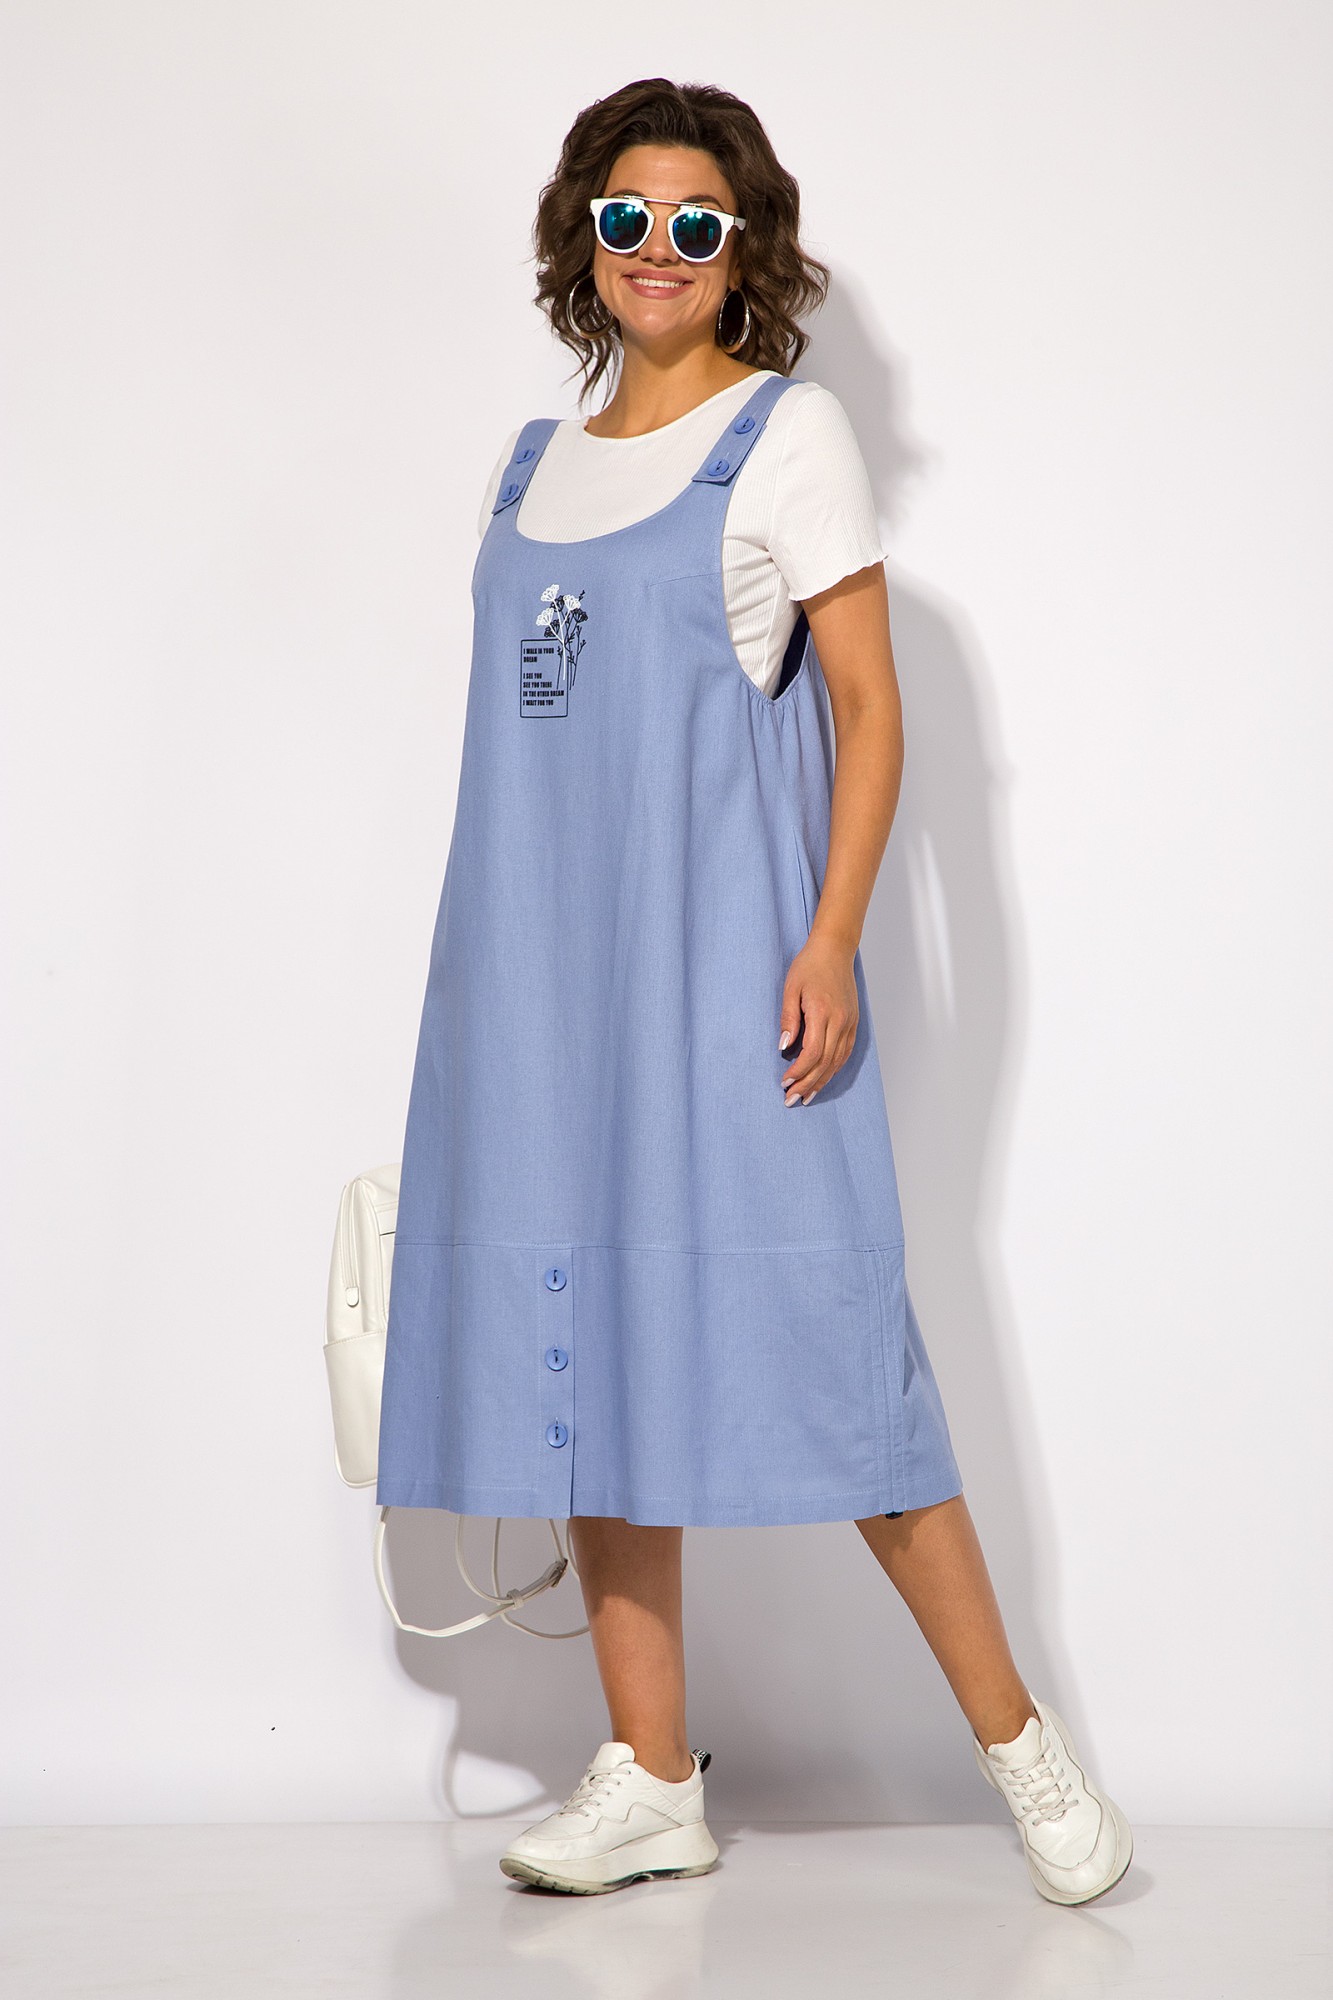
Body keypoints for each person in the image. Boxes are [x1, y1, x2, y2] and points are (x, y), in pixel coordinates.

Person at [375, 76, 1133, 1904]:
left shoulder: (783, 439)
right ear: (582, 236)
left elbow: (868, 709)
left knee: (836, 1353)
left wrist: (831, 936)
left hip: (720, 985)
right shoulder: (527, 467)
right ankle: (649, 1774)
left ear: (743, 254)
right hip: (529, 994)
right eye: (625, 217)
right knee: (579, 1365)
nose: (657, 249)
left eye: (695, 225)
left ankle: (1023, 1751)